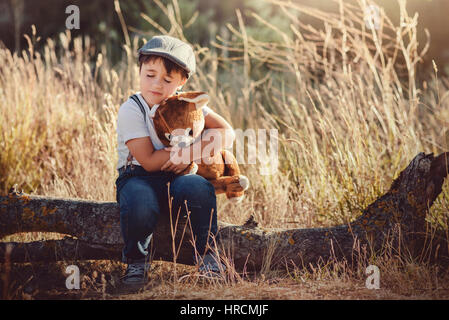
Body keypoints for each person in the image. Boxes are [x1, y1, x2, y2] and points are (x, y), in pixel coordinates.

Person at [115, 35, 235, 284]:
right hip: (138, 177)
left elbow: (227, 132)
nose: (156, 85)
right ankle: (137, 263)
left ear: (182, 81)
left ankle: (208, 256)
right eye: (150, 75)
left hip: (178, 176)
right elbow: (148, 160)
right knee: (140, 202)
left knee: (198, 187)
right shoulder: (132, 108)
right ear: (139, 71)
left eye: (167, 80)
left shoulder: (187, 104)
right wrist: (183, 153)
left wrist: (190, 154)